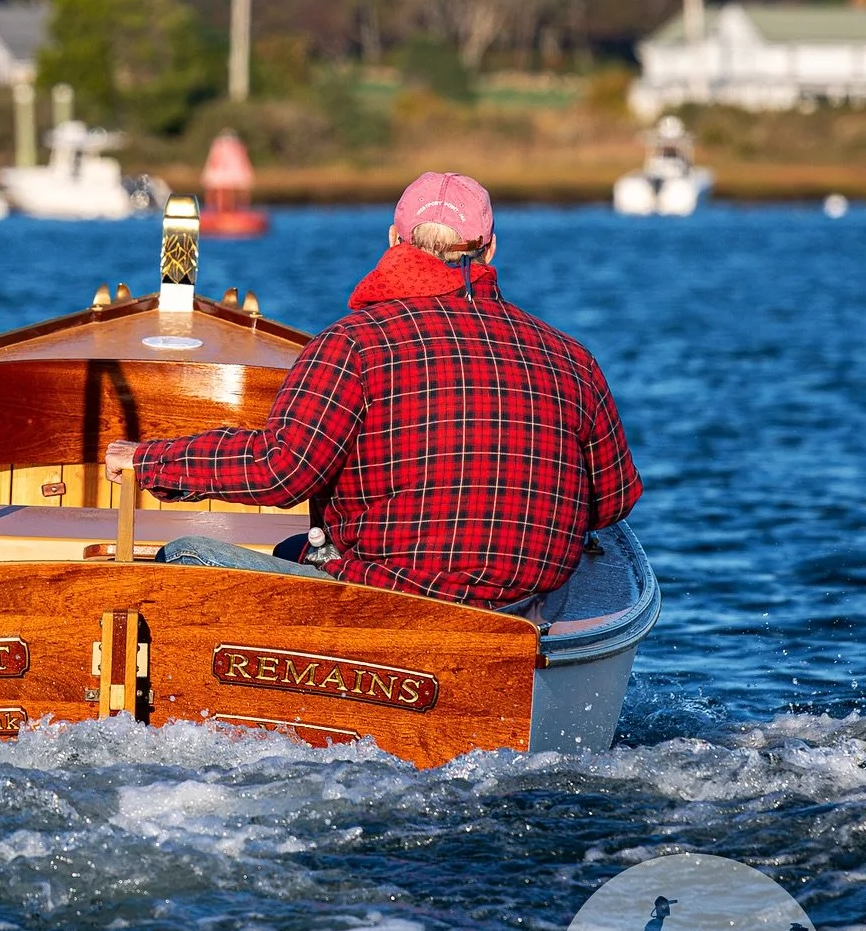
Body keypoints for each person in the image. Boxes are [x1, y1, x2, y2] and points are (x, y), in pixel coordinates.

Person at [104, 171, 641, 607]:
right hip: (519, 612)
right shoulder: (572, 358)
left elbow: (282, 472)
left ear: (392, 241)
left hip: (387, 601)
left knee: (187, 556)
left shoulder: (354, 344)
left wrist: (148, 461)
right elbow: (613, 502)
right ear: (490, 248)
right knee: (297, 547)